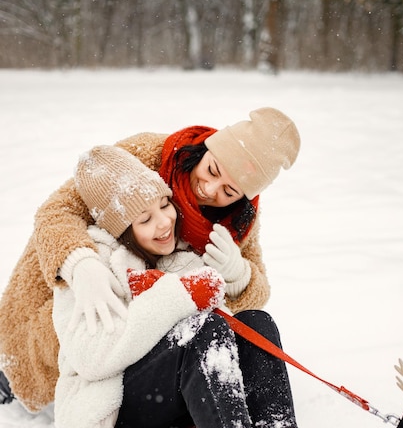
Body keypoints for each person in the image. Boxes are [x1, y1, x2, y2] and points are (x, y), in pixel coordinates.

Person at [47, 144, 331, 428]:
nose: (164, 222)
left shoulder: (176, 250)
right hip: (119, 402)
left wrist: (232, 276)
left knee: (255, 324)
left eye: (165, 204)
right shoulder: (92, 269)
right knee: (203, 329)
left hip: (174, 390)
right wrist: (176, 296)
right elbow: (93, 359)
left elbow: (222, 323)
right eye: (144, 219)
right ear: (120, 227)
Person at [0, 107, 300, 412]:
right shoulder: (147, 154)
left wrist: (239, 277)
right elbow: (56, 211)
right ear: (206, 148)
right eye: (211, 170)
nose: (209, 190)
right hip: (88, 291)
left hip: (149, 324)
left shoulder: (238, 221)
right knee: (57, 349)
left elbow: (257, 290)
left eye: (230, 191)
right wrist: (80, 264)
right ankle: (11, 369)